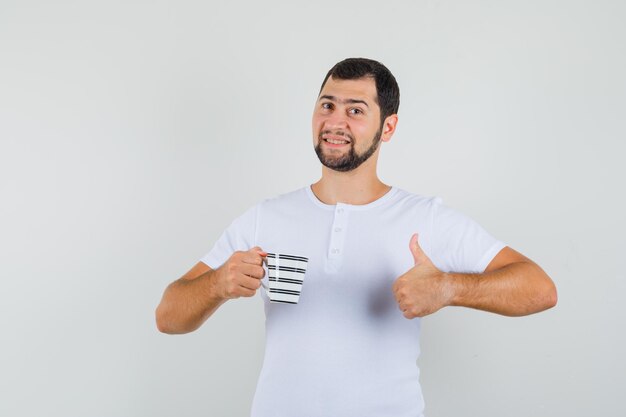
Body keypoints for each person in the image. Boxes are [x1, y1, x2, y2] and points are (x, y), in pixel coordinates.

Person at [155, 58, 557, 417]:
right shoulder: (266, 218)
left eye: (356, 110)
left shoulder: (425, 219)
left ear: (389, 127)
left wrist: (449, 288)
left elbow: (539, 289)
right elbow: (168, 316)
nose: (335, 122)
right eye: (327, 105)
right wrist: (217, 284)